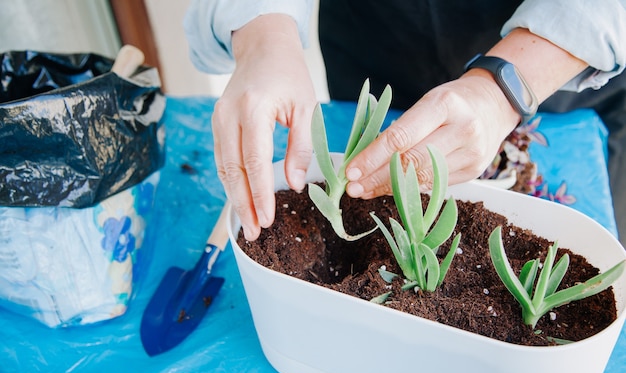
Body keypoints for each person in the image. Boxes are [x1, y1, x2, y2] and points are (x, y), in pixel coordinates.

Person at [183, 0, 626, 243]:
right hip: (381, 34)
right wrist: (263, 33)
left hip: (561, 65)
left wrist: (506, 89)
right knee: (375, 153)